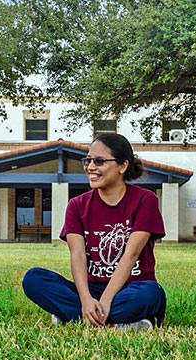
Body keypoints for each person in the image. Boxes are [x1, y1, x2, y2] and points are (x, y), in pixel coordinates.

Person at [22, 133, 167, 331]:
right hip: (92, 289)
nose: (90, 167)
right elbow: (78, 255)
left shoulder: (145, 200)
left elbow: (131, 254)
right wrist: (85, 300)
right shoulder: (76, 205)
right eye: (88, 160)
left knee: (150, 295)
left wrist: (106, 301)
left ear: (122, 166)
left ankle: (73, 316)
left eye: (99, 161)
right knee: (34, 279)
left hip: (133, 287)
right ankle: (116, 322)